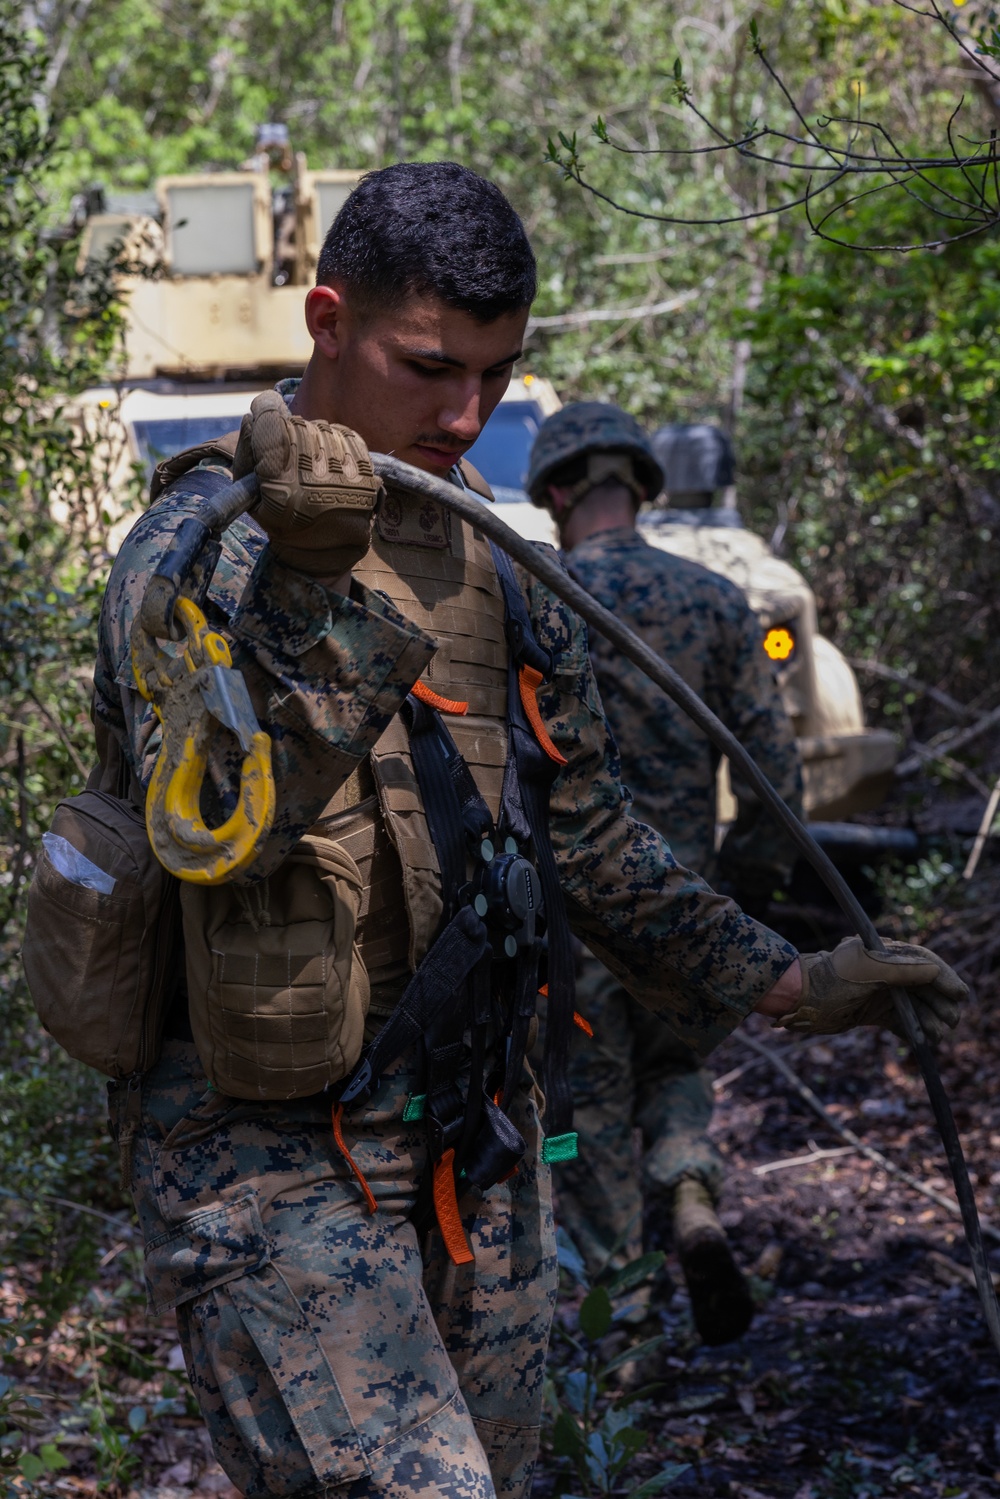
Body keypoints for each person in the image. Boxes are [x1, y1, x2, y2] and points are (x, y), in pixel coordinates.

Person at [93, 163, 966, 1499]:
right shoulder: (195, 538)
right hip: (270, 1163)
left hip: (477, 1149)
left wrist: (789, 981)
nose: (468, 412)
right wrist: (311, 582)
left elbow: (597, 841)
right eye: (432, 365)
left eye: (499, 375)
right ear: (328, 322)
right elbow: (219, 824)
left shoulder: (497, 564)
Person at [527, 404, 805, 1346]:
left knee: (591, 1097)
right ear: (642, 488)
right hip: (690, 905)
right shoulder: (716, 601)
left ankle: (627, 1319)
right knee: (676, 1061)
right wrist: (750, 892)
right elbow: (776, 771)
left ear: (557, 493)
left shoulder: (538, 596)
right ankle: (690, 1195)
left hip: (577, 912)